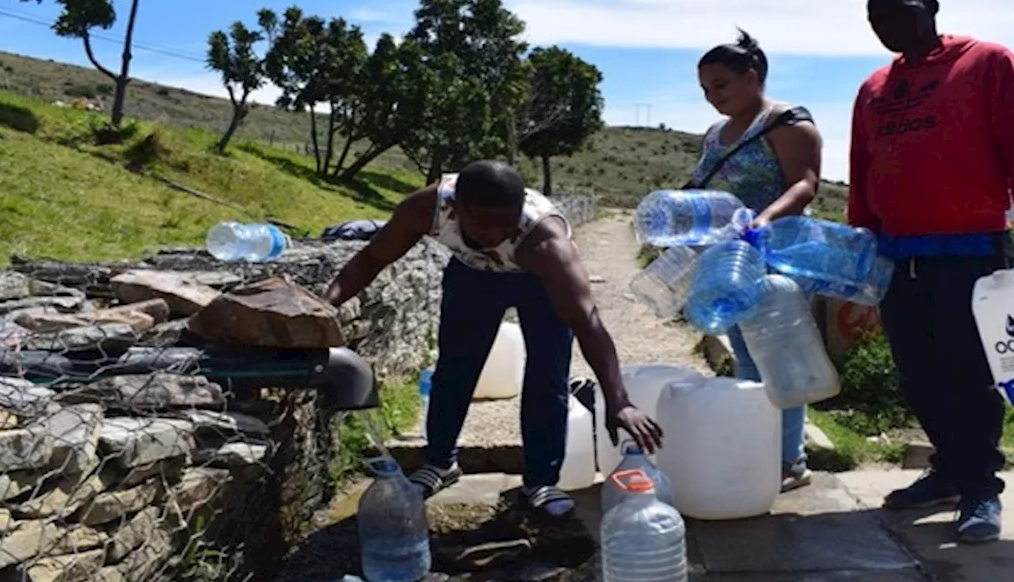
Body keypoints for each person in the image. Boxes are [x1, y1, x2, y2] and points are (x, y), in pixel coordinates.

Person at [322, 160, 662, 518]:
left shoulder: (545, 242)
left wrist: (619, 400)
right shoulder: (426, 209)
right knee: (455, 367)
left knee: (547, 377)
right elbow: (373, 256)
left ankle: (541, 481)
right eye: (483, 221)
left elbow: (588, 322)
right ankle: (440, 462)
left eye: (507, 220)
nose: (496, 232)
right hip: (473, 274)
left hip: (539, 283)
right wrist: (325, 306)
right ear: (457, 209)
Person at [848, 0, 1014, 543]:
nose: (886, 24)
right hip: (897, 255)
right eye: (875, 17)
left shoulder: (986, 62)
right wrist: (862, 246)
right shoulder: (874, 87)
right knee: (917, 374)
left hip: (970, 251)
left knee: (972, 374)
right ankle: (948, 470)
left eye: (899, 10)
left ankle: (980, 489)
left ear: (933, 8)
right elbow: (862, 169)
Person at [689, 30, 825, 492]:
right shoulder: (714, 133)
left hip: (775, 256)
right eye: (706, 90)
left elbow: (804, 184)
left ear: (753, 76)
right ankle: (761, 450)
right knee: (746, 358)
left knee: (779, 360)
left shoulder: (788, 123)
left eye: (721, 85)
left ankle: (791, 460)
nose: (713, 98)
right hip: (728, 260)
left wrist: (761, 221)